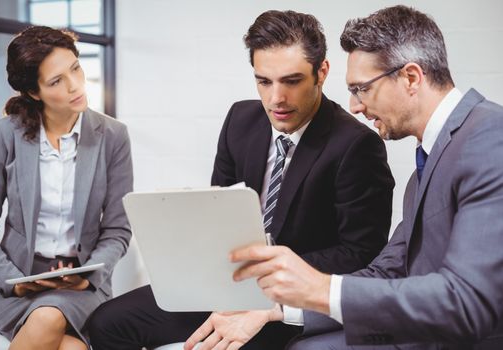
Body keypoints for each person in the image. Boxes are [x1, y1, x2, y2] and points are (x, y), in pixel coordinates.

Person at [89, 9, 394, 350]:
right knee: (105, 323)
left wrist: (269, 272)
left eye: (291, 81)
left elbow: (361, 253)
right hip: (226, 284)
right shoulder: (240, 119)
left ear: (321, 72)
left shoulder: (356, 145)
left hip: (291, 299)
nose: (276, 98)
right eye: (264, 81)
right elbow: (216, 210)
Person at [220, 5, 503, 349]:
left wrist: (319, 288)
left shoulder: (489, 135)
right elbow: (385, 272)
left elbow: (469, 300)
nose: (354, 106)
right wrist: (280, 307)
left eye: (362, 89)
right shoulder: (425, 171)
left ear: (411, 78)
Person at [0, 26, 133, 349]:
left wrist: (88, 276)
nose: (75, 85)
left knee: (48, 317)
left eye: (75, 68)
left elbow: (118, 229)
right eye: (56, 81)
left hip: (81, 287)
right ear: (34, 93)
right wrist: (14, 283)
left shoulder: (113, 136)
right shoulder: (5, 134)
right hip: (17, 285)